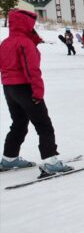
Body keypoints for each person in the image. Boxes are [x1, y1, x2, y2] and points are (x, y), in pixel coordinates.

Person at [0, 10, 73, 174]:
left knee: (18, 124)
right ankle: (50, 162)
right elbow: (32, 70)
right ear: (25, 23)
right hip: (25, 87)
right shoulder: (24, 43)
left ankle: (9, 159)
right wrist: (38, 93)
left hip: (9, 88)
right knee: (44, 125)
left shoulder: (5, 42)